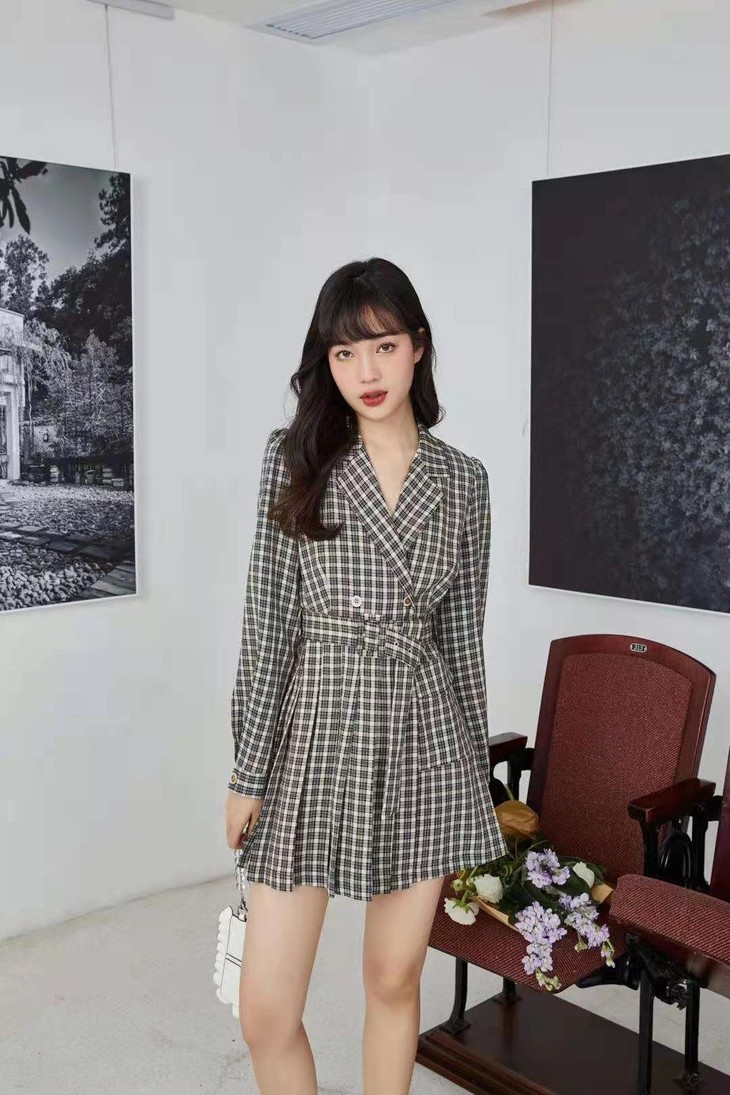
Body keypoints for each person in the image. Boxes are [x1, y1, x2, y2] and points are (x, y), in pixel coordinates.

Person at [223, 256, 508, 1094]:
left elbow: (462, 641)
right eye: (344, 353)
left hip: (425, 740)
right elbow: (269, 624)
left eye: (383, 346)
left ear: (417, 345)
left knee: (392, 978)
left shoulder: (464, 481)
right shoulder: (296, 458)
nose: (366, 371)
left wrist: (475, 785)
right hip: (314, 730)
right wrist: (247, 770)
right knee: (264, 1011)